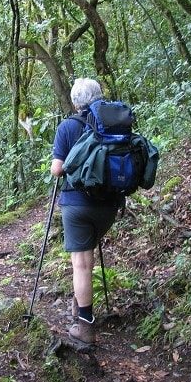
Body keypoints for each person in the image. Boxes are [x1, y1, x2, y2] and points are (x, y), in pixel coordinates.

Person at [50, 77, 121, 344]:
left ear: (75, 101)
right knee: (87, 259)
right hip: (109, 206)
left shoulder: (68, 127)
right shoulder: (113, 125)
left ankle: (86, 326)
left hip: (78, 205)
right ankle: (79, 304)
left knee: (81, 265)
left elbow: (57, 169)